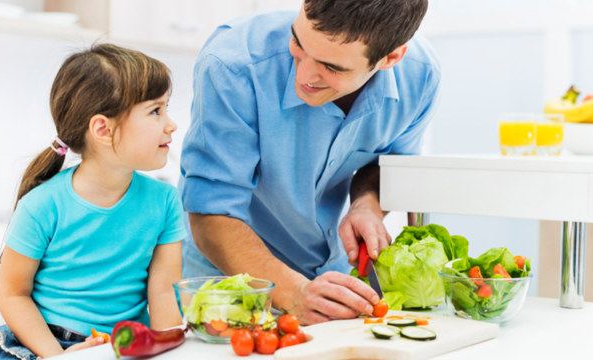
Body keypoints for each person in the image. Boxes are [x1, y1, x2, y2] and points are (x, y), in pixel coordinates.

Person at [180, 0, 440, 325]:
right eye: (298, 44)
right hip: (229, 279)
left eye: (333, 68)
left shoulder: (421, 77)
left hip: (331, 279)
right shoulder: (233, 63)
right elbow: (211, 211)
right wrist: (295, 293)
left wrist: (366, 206)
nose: (303, 76)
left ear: (390, 58)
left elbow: (389, 164)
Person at [0, 44, 187, 360]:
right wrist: (60, 357)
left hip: (125, 346)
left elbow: (162, 293)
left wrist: (165, 353)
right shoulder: (42, 205)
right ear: (103, 128)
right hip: (46, 346)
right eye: (156, 111)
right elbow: (13, 295)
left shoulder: (165, 201)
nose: (171, 124)